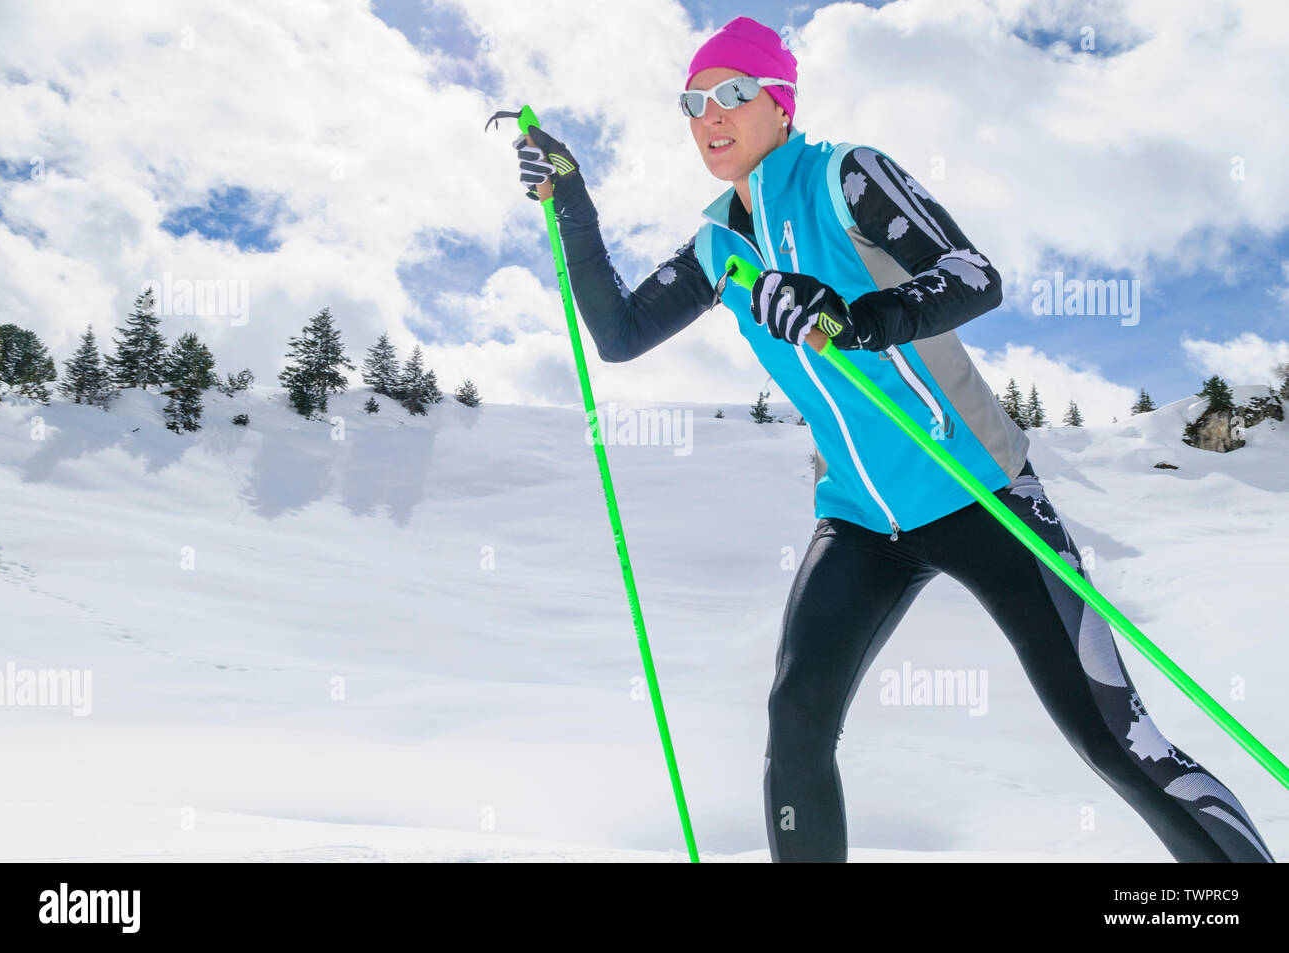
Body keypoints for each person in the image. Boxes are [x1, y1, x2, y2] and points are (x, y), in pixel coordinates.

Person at [507, 15, 1274, 863]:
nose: (709, 114)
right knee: (795, 723)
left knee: (1112, 738)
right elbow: (617, 335)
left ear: (781, 105)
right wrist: (571, 201)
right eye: (692, 101)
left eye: (732, 92)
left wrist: (856, 318)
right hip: (860, 521)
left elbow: (975, 274)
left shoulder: (846, 175)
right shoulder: (717, 245)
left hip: (980, 488)